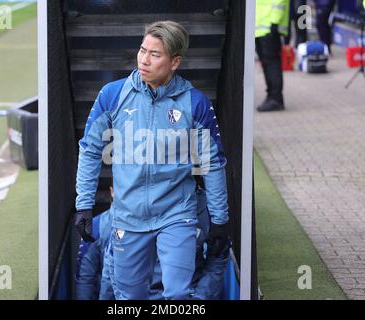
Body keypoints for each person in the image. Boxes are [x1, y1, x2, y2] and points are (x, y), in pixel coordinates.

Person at [75, 20, 229, 300]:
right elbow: (89, 150)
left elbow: (212, 163)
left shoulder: (195, 102)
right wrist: (84, 205)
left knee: (179, 295)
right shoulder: (112, 94)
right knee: (129, 298)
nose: (144, 60)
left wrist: (220, 219)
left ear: (175, 62)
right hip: (128, 218)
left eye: (155, 54)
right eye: (142, 50)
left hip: (177, 215)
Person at [75, 187, 229, 300]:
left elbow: (218, 256)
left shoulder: (207, 212)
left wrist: (198, 300)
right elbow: (102, 269)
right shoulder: (116, 220)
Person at [255, 0, 290, 112]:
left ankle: (275, 99)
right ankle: (271, 97)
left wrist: (274, 21)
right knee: (267, 65)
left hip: (269, 26)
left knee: (272, 65)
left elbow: (279, 2)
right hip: (262, 27)